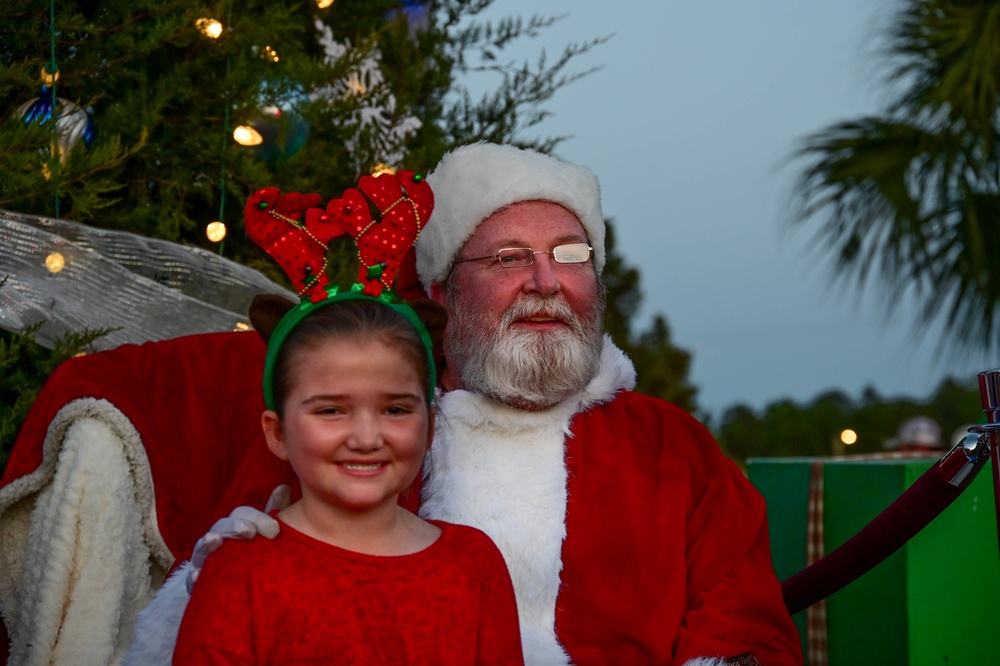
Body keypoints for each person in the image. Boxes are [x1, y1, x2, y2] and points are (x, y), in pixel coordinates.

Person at [129, 143, 802, 666]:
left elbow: (743, 629)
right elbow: (234, 590)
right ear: (443, 291)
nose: (545, 281)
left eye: (570, 256)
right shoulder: (370, 437)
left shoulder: (670, 447)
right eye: (511, 257)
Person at [173, 295, 523, 665]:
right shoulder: (239, 573)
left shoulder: (473, 564)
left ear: (429, 428)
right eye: (331, 410)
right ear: (277, 434)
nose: (366, 438)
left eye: (395, 410)